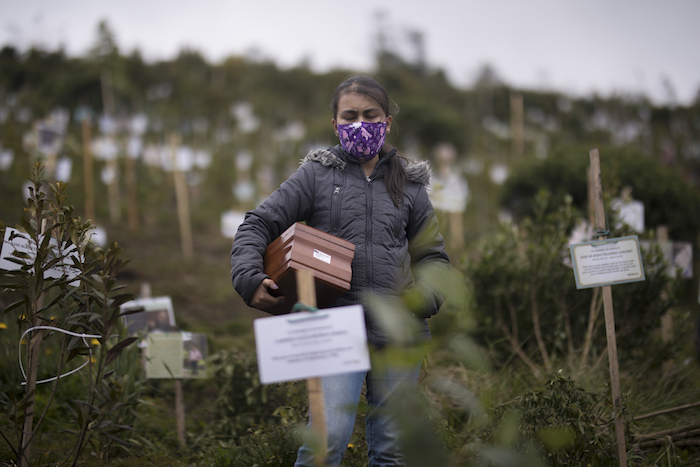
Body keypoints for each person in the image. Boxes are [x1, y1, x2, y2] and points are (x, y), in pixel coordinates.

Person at [230, 75, 450, 466]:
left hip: (399, 332)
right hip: (333, 328)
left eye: (370, 115)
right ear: (334, 124)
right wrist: (249, 278)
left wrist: (421, 300)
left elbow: (433, 259)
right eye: (349, 117)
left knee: (392, 451)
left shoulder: (411, 186)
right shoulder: (315, 175)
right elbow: (257, 224)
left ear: (387, 121)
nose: (360, 124)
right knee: (326, 442)